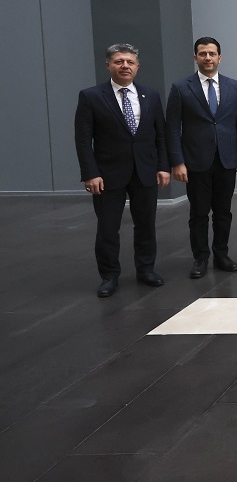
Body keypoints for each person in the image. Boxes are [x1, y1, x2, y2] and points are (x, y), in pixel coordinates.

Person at [75, 43, 171, 297]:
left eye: (130, 62)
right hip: (107, 174)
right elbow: (83, 140)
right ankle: (109, 276)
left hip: (145, 171)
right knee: (108, 227)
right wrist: (90, 173)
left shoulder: (150, 95)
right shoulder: (91, 96)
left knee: (146, 225)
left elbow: (160, 135)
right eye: (119, 61)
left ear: (137, 67)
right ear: (108, 65)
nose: (125, 66)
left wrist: (163, 166)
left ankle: (146, 270)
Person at [165, 37, 237, 279]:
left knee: (224, 211)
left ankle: (222, 254)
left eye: (212, 54)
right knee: (199, 213)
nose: (207, 58)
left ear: (219, 57)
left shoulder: (234, 86)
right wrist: (177, 161)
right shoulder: (181, 88)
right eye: (202, 54)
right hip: (195, 160)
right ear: (195, 57)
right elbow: (172, 128)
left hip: (226, 159)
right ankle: (200, 257)